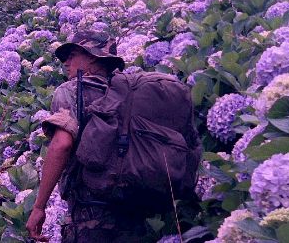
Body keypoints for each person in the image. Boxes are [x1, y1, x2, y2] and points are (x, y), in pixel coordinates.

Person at [26, 31, 201, 242]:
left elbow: (62, 144)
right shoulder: (130, 94)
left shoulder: (71, 90)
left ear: (92, 56)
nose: (66, 62)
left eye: (71, 54)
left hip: (91, 218)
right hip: (134, 214)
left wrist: (39, 207)